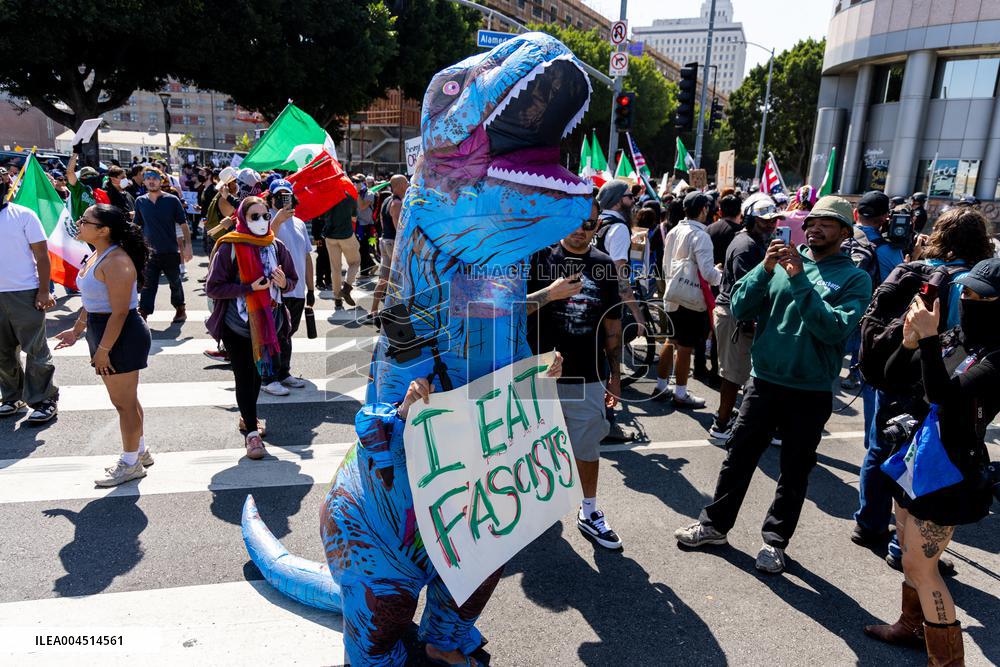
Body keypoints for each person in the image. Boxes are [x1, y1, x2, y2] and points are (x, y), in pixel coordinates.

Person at [675, 196, 872, 574]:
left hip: (811, 389)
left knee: (795, 471)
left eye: (826, 223)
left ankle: (774, 542)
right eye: (812, 222)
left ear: (845, 233)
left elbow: (833, 328)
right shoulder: (781, 260)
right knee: (737, 459)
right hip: (764, 381)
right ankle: (714, 526)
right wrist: (765, 270)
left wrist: (799, 279)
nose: (814, 228)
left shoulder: (855, 278)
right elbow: (741, 307)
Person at [863, 258, 1000, 665]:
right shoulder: (958, 336)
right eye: (968, 292)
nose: (971, 300)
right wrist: (910, 342)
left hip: (951, 471)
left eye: (984, 297)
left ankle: (947, 661)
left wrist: (926, 340)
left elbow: (944, 396)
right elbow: (889, 378)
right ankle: (910, 625)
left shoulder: (997, 357)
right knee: (906, 546)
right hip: (915, 457)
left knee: (921, 566)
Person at [853, 206, 994, 574]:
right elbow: (955, 344)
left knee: (879, 447)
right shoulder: (967, 283)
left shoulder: (918, 269)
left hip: (892, 371)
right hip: (927, 385)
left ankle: (868, 524)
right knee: (918, 462)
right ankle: (907, 548)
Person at [527, 202, 623, 549]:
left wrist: (615, 374)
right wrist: (550, 294)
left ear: (597, 226)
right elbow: (510, 308)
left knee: (585, 447)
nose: (581, 229)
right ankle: (533, 512)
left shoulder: (604, 266)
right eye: (575, 222)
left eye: (589, 223)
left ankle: (590, 511)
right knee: (532, 446)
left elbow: (613, 325)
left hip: (587, 375)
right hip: (536, 374)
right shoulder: (537, 257)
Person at [53, 205, 153, 486]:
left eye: (85, 221)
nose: (79, 224)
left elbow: (120, 312)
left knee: (123, 405)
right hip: (105, 330)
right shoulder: (98, 255)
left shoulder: (117, 261)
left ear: (103, 230)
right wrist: (77, 330)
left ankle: (131, 462)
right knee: (127, 400)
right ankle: (140, 451)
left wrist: (103, 350)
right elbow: (92, 299)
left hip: (120, 334)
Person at [205, 196, 298, 459]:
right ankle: (252, 436)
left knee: (259, 376)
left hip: (270, 324)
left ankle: (249, 417)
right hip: (238, 326)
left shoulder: (276, 246)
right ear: (242, 218)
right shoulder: (229, 247)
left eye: (265, 215)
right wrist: (247, 288)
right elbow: (213, 287)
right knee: (244, 376)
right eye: (254, 216)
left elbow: (292, 280)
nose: (261, 221)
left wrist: (283, 283)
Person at [709, 194, 781, 439]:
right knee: (733, 374)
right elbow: (744, 290)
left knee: (739, 372)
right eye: (764, 220)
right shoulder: (746, 246)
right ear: (750, 218)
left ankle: (729, 417)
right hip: (735, 314)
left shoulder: (754, 241)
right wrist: (748, 320)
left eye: (773, 220)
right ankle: (721, 424)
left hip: (739, 314)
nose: (771, 224)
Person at [652, 191, 722, 408]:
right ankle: (681, 393)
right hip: (691, 298)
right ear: (703, 210)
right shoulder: (701, 236)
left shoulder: (674, 230)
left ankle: (661, 385)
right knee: (685, 347)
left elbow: (665, 263)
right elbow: (709, 274)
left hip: (673, 292)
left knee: (670, 341)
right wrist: (721, 273)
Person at [0, 168, 58, 423]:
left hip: (24, 292)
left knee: (36, 350)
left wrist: (44, 290)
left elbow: (42, 255)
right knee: (2, 352)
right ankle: (12, 396)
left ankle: (44, 399)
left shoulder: (24, 215)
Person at [260, 180, 313, 396]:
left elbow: (307, 256)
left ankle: (283, 372)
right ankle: (268, 377)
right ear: (270, 199)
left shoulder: (299, 223)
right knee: (273, 334)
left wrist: (310, 287)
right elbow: (263, 242)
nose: (283, 199)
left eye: (287, 195)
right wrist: (277, 221)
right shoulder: (265, 220)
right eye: (278, 196)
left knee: (288, 334)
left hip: (297, 289)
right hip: (276, 289)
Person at [133, 167, 190, 322]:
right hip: (149, 253)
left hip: (170, 251)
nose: (151, 181)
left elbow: (183, 224)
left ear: (161, 180)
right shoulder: (140, 201)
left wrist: (188, 247)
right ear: (144, 181)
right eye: (148, 178)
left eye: (155, 178)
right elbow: (137, 226)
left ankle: (180, 309)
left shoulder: (172, 200)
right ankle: (143, 312)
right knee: (148, 285)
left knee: (175, 282)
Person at [366, 174, 407, 321]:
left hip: (384, 240)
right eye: (406, 183)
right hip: (392, 243)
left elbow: (382, 222)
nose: (408, 185)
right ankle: (391, 314)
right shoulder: (397, 203)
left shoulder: (386, 200)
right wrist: (402, 243)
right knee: (397, 280)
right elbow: (399, 227)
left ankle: (373, 310)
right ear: (399, 186)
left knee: (383, 279)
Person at [320, 187, 359, 309]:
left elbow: (321, 216)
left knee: (335, 268)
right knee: (355, 262)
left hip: (330, 236)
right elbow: (354, 218)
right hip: (346, 235)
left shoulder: (326, 197)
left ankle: (337, 298)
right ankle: (347, 288)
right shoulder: (349, 198)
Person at [706, 193, 744, 266]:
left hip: (711, 272)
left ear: (720, 212)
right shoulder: (743, 233)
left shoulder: (708, 229)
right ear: (740, 212)